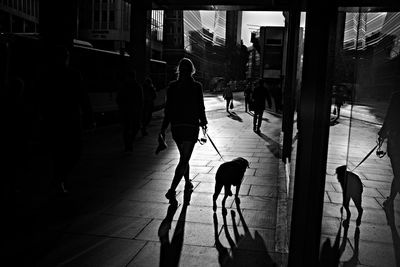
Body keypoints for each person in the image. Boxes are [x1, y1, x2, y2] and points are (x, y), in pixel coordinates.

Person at [39, 45, 94, 194]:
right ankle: (59, 178)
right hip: (71, 119)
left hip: (53, 119)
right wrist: (89, 115)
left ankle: (57, 178)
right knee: (74, 149)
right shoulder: (73, 75)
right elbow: (83, 97)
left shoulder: (46, 75)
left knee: (57, 150)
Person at [159, 58, 208, 203]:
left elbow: (167, 110)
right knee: (184, 159)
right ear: (192, 70)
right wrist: (204, 122)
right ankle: (172, 190)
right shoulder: (196, 86)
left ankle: (187, 183)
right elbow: (200, 106)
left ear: (179, 70)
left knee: (183, 157)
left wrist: (163, 128)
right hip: (191, 127)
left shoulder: (172, 86)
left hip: (177, 128)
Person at [378, 90, 400, 210]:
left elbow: (390, 116)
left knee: (398, 173)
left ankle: (391, 200)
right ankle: (390, 199)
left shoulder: (397, 96)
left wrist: (383, 133)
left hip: (396, 141)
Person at [116, 64, 144, 153]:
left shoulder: (124, 86)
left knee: (127, 129)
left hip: (127, 111)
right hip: (132, 111)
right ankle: (129, 144)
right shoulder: (137, 87)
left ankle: (128, 144)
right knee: (133, 128)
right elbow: (141, 100)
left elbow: (118, 99)